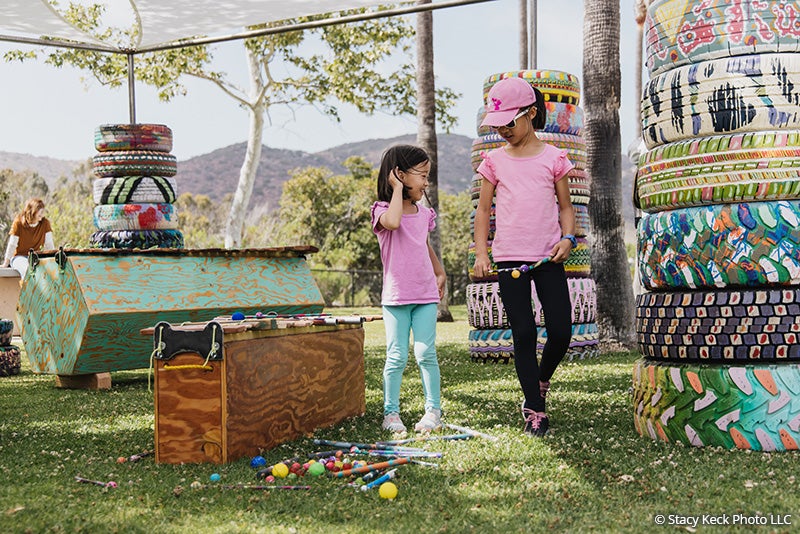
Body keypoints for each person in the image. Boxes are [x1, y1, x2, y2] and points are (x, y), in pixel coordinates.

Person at [472, 77, 577, 437]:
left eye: (509, 123)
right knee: (524, 332)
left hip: (548, 257)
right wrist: (482, 253)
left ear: (530, 114)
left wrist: (568, 238)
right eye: (497, 125)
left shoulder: (554, 158)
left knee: (562, 331)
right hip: (508, 260)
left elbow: (566, 207)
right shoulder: (494, 161)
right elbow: (483, 211)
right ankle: (535, 407)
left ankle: (541, 379)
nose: (502, 131)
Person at [371, 144, 446, 435]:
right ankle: (391, 413)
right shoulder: (381, 210)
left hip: (425, 294)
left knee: (426, 353)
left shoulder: (425, 213)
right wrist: (397, 190)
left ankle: (433, 411)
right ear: (399, 175)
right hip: (397, 297)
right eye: (422, 175)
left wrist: (439, 272)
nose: (426, 182)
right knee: (396, 356)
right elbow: (394, 221)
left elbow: (423, 245)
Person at [2, 197, 55, 279]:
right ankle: (28, 291)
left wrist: (53, 261)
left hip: (35, 257)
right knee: (27, 270)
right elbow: (12, 244)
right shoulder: (18, 223)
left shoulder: (45, 223)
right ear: (33, 211)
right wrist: (6, 262)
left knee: (46, 272)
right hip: (19, 257)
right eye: (39, 211)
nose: (42, 214)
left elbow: (49, 245)